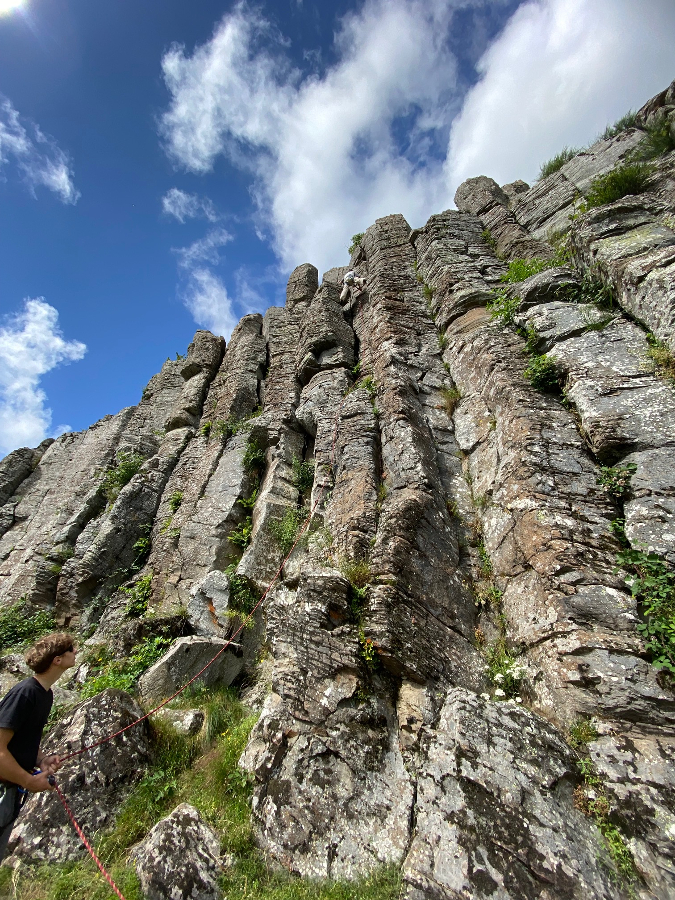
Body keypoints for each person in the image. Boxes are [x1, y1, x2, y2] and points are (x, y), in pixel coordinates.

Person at [0, 632, 77, 860]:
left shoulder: (45, 694)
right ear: (57, 659)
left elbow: (23, 739)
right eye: (71, 649)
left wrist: (40, 759)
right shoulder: (25, 693)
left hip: (10, 792)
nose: (75, 652)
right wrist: (29, 781)